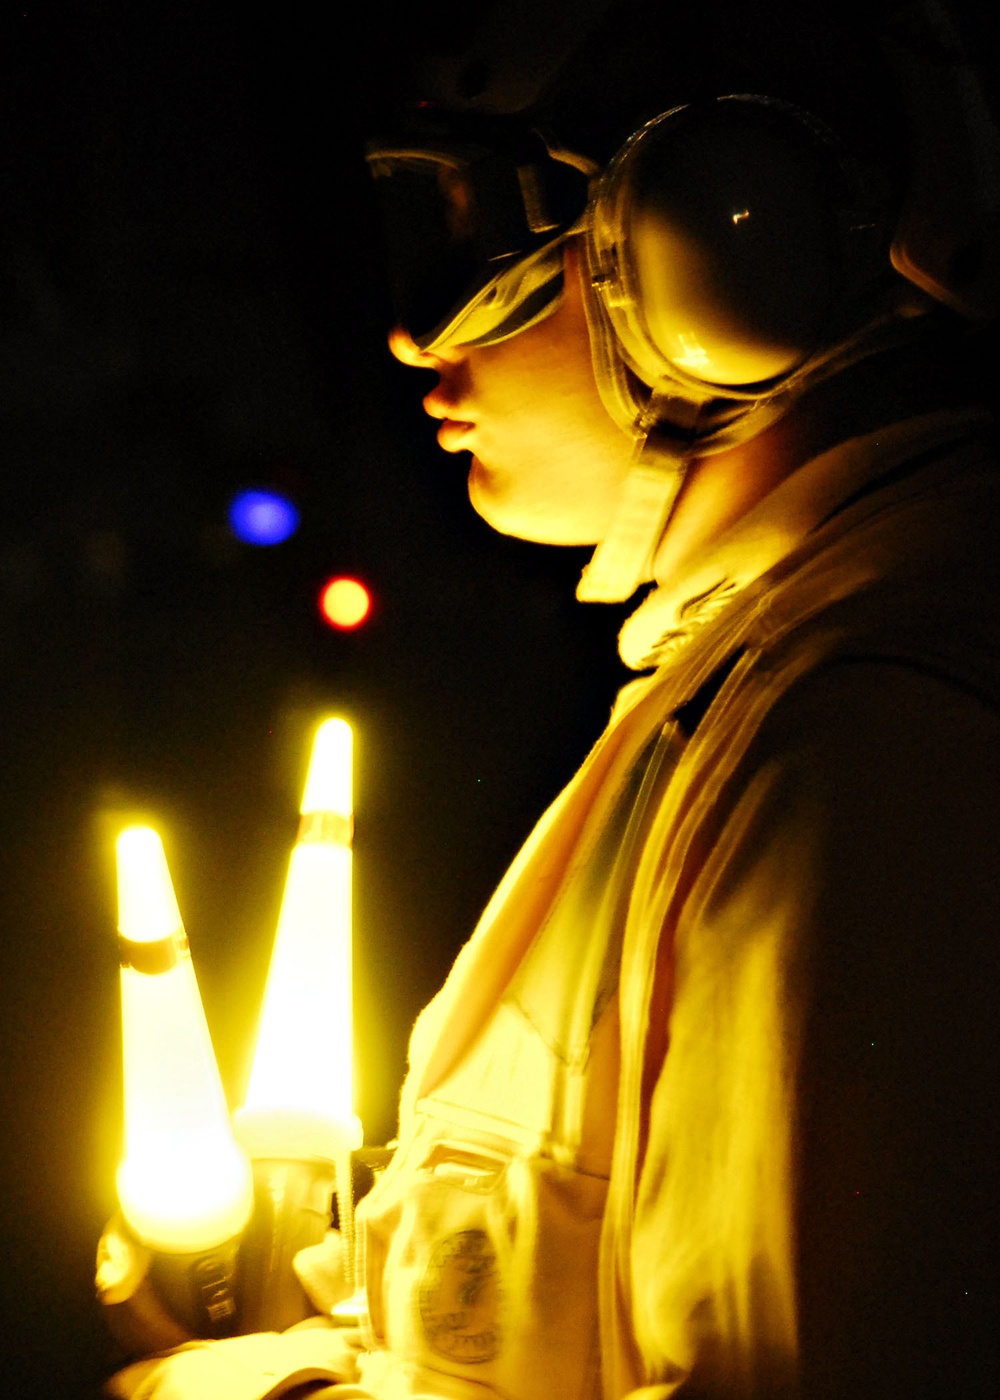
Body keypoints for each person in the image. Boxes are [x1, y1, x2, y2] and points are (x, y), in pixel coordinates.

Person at [101, 1, 1000, 1396]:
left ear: (719, 239)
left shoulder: (868, 736)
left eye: (478, 238)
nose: (411, 338)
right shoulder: (765, 682)